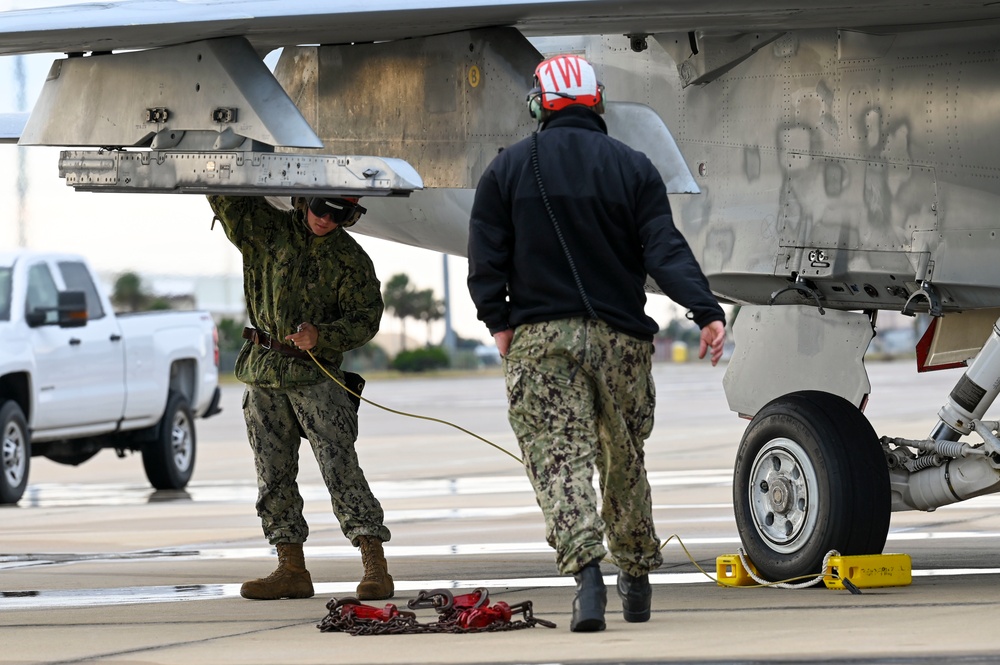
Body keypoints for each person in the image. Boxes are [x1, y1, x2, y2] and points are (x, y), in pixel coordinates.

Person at [466, 54, 726, 632]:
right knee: (623, 458)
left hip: (542, 341)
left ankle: (587, 580)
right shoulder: (633, 167)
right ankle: (636, 577)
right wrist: (705, 310)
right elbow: (664, 248)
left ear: (540, 104)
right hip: (621, 342)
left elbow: (486, 256)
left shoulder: (507, 168)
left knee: (558, 458)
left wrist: (498, 322)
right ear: (596, 101)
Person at [207, 194, 394, 601]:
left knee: (340, 467)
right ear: (303, 200)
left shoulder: (349, 259)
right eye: (321, 208)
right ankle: (290, 568)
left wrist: (321, 336)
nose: (326, 219)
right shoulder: (266, 231)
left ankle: (375, 566)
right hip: (263, 372)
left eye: (340, 215)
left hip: (315, 375)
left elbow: (366, 318)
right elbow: (224, 195)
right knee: (272, 474)